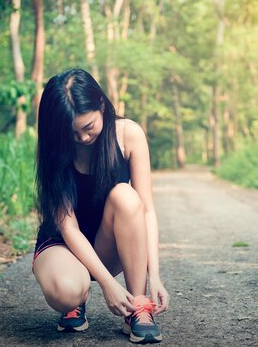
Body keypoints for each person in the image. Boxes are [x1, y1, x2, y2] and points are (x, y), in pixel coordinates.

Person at [32, 68, 168, 343]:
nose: (82, 138)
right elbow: (67, 227)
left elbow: (147, 210)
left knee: (127, 196)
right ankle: (77, 298)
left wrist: (154, 276)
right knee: (66, 291)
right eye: (73, 132)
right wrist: (107, 284)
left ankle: (138, 306)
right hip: (63, 245)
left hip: (109, 243)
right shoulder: (55, 147)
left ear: (102, 106)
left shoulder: (128, 134)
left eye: (88, 127)